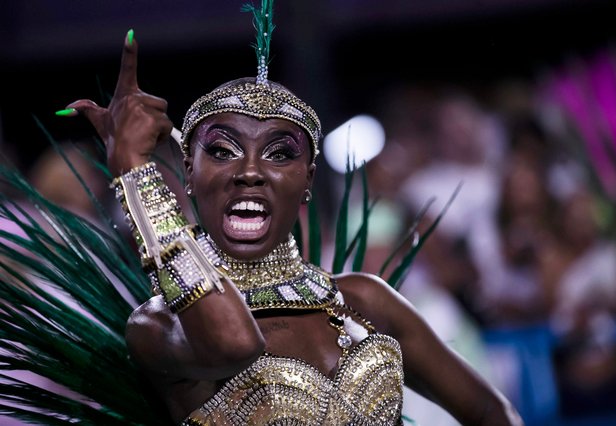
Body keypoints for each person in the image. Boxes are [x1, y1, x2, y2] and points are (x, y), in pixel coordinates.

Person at [56, 5, 523, 425]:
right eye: (222, 151)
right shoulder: (160, 326)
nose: (251, 172)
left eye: (280, 155)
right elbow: (234, 344)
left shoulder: (364, 300)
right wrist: (134, 172)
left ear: (308, 180)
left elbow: (488, 409)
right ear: (189, 174)